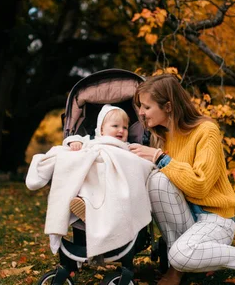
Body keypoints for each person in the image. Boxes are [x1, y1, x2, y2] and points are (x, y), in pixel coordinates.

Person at [128, 73, 235, 285]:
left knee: (181, 253)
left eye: (146, 107)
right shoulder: (161, 135)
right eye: (140, 106)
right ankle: (178, 264)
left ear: (168, 107)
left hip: (215, 218)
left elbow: (200, 185)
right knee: (157, 182)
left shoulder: (206, 131)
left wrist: (160, 158)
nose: (141, 113)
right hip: (185, 215)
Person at [25, 104, 154, 259]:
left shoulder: (127, 147)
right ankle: (86, 204)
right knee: (81, 165)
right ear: (101, 129)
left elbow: (139, 164)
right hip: (94, 182)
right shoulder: (92, 141)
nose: (121, 130)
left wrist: (138, 159)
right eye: (115, 126)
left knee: (121, 180)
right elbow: (73, 139)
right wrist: (74, 143)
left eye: (125, 128)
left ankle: (91, 209)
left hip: (114, 188)